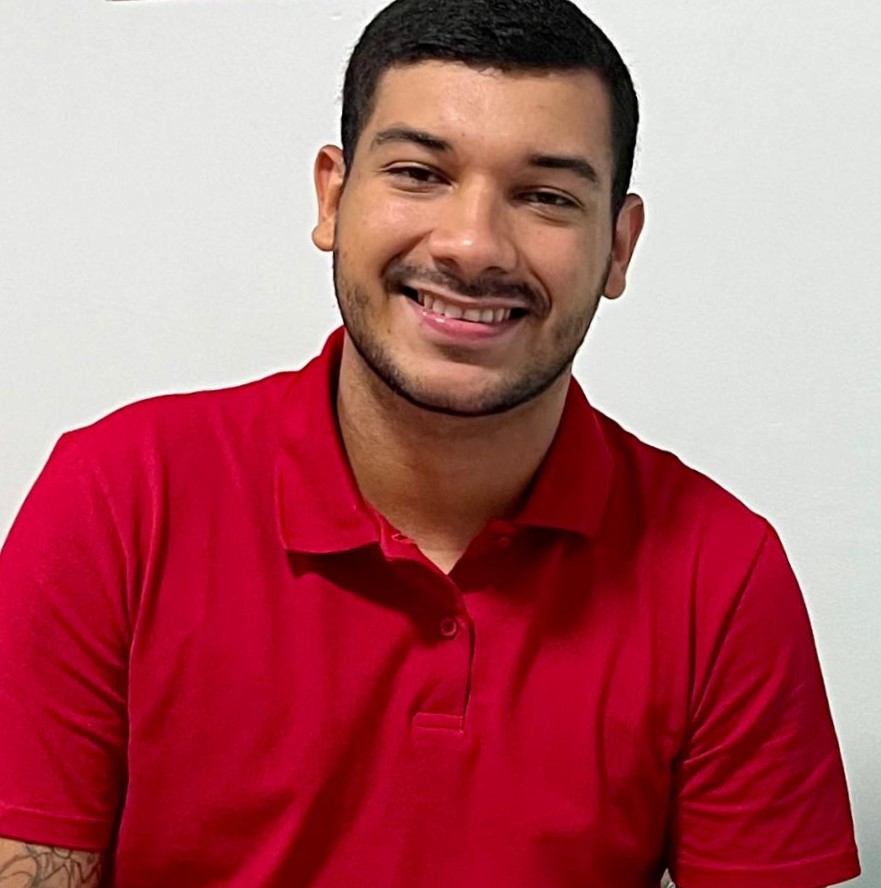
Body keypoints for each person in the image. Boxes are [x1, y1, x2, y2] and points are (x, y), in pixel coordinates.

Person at [0, 0, 861, 886]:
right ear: (333, 198)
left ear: (617, 246)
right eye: (418, 173)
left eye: (546, 197)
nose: (471, 245)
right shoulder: (121, 499)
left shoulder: (720, 571)